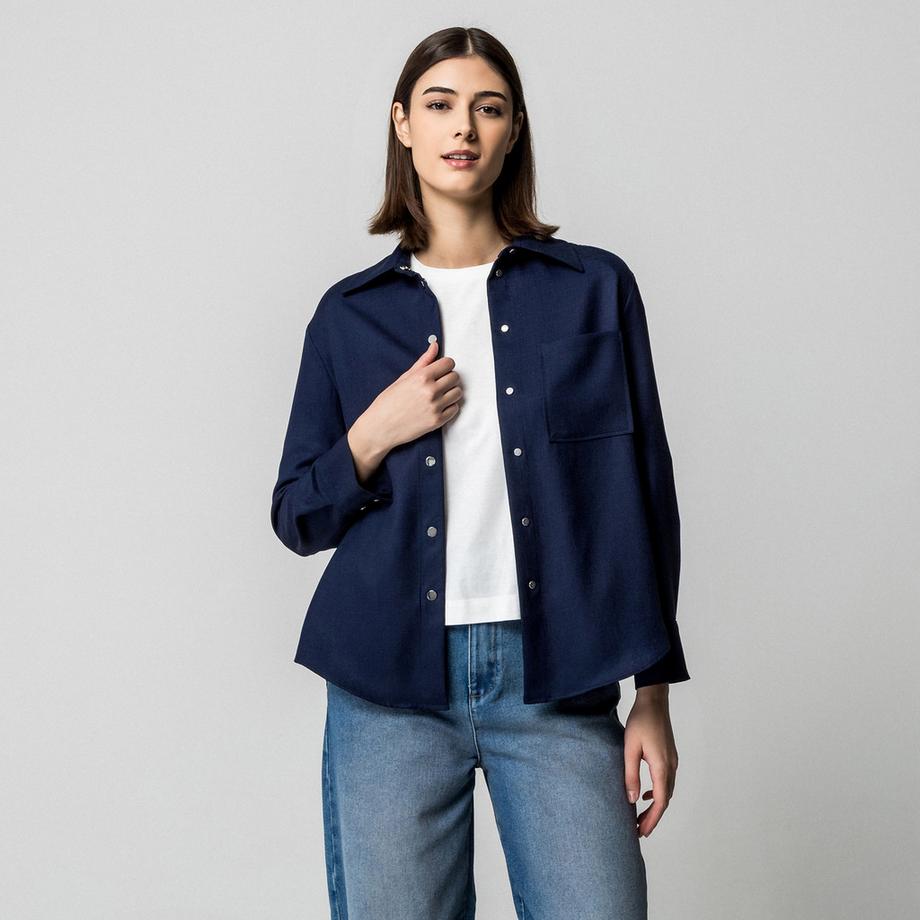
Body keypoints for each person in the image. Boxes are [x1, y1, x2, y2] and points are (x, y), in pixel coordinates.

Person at [270, 26, 690, 920]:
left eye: (488, 108)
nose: (463, 127)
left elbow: (643, 494)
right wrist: (374, 433)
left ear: (513, 130)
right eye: (440, 105)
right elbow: (297, 515)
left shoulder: (593, 289)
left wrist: (651, 695)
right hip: (387, 690)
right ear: (403, 125)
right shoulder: (347, 317)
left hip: (560, 674)